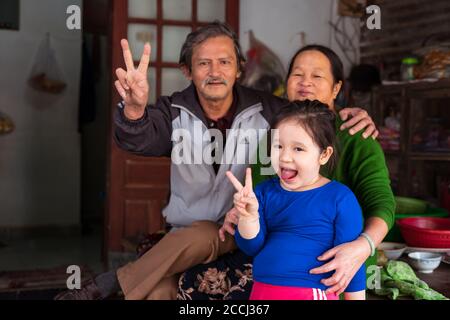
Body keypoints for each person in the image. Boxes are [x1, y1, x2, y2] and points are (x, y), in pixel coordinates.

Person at [55, 23, 378, 300]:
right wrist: (135, 109)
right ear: (187, 70)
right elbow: (137, 137)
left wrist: (350, 111)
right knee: (161, 288)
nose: (215, 72)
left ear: (239, 69)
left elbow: (311, 117)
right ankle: (111, 284)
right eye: (203, 63)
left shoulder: (272, 111)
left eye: (224, 62)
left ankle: (110, 283)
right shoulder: (173, 111)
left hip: (246, 226)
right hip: (201, 230)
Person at [178, 44, 394, 300]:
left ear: (337, 88)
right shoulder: (273, 135)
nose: (306, 83)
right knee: (187, 271)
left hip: (328, 267)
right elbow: (258, 206)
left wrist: (362, 247)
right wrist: (245, 213)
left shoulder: (356, 139)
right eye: (298, 74)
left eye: (317, 76)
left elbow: (381, 204)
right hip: (270, 264)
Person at [227, 99, 366, 300]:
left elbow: (352, 263)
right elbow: (251, 247)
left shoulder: (340, 198)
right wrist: (248, 218)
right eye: (278, 146)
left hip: (312, 294)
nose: (284, 157)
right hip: (261, 294)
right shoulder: (263, 192)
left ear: (324, 155)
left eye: (298, 149)